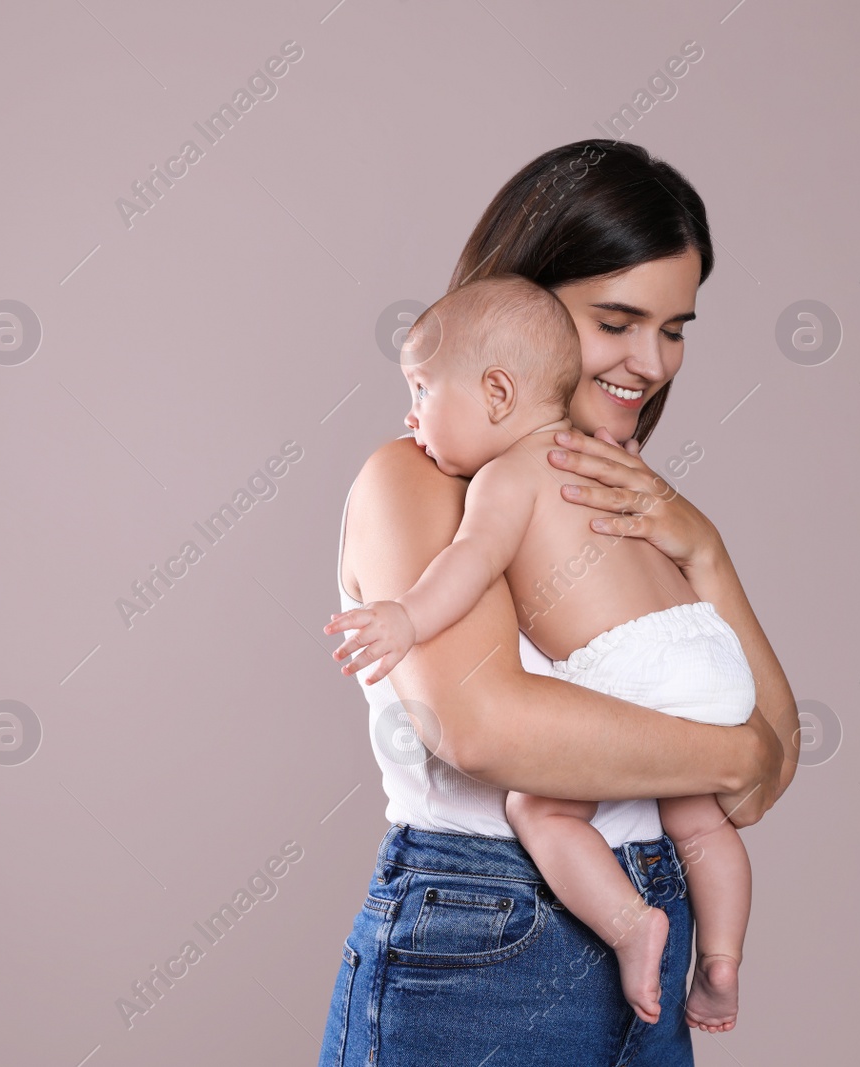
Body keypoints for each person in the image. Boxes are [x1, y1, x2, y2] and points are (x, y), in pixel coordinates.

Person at [316, 139, 799, 1067]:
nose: (651, 362)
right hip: (480, 932)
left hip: (650, 915)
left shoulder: (615, 493)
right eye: (616, 320)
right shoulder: (417, 481)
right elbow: (484, 725)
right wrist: (732, 750)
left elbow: (767, 782)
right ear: (525, 307)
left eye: (676, 327)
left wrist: (705, 548)